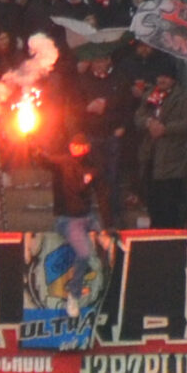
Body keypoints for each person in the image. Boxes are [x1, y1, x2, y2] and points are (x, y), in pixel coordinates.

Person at [32, 131, 113, 319]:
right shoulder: (62, 163)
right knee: (83, 252)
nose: (76, 148)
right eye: (73, 145)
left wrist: (107, 225)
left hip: (88, 217)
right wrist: (33, 148)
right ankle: (74, 296)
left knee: (110, 244)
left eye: (80, 146)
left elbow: (102, 195)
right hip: (67, 219)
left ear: (87, 148)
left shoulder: (93, 167)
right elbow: (45, 161)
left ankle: (104, 294)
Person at [136, 64, 187, 229]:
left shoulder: (185, 98)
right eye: (159, 76)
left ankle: (171, 233)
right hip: (150, 157)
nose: (161, 80)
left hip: (172, 158)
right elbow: (138, 116)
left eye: (166, 77)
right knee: (152, 199)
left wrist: (165, 129)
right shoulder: (150, 95)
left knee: (170, 202)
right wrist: (149, 123)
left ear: (173, 79)